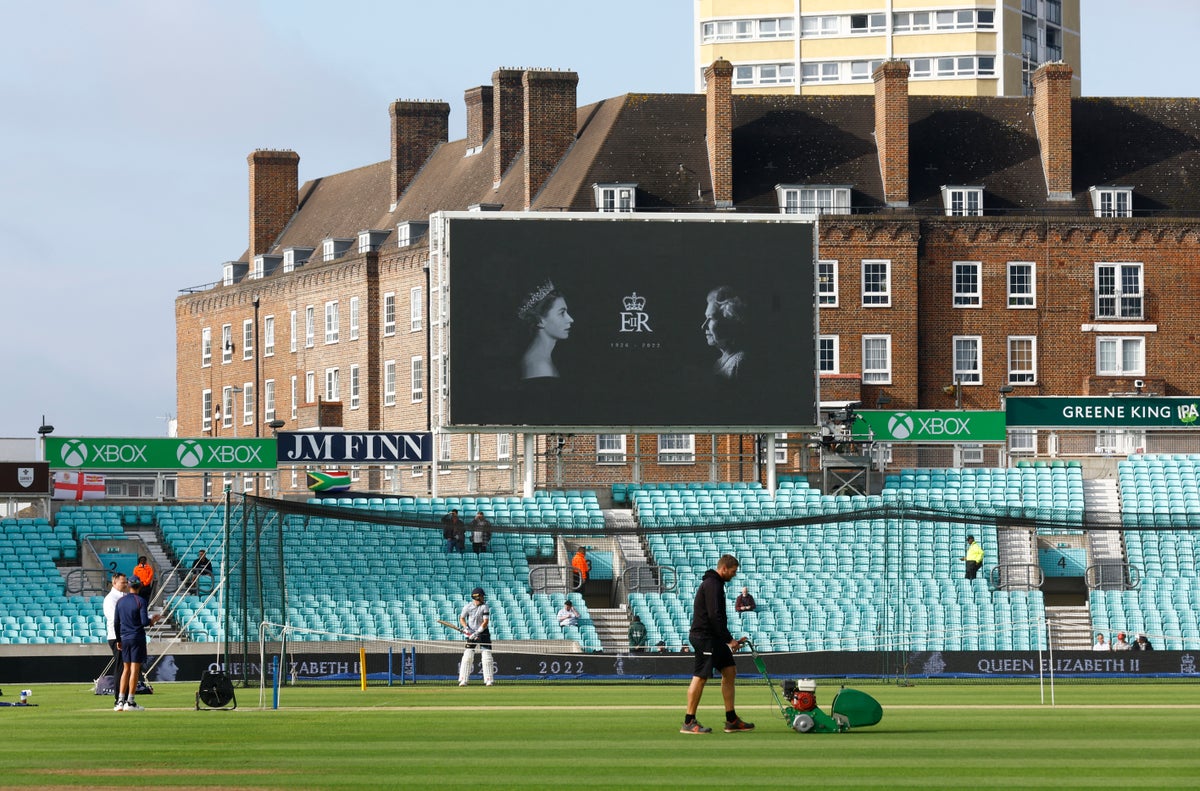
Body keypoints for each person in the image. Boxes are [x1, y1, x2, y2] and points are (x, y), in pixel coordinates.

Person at [681, 553, 753, 734]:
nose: (734, 575)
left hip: (714, 638)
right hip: (704, 637)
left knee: (729, 670)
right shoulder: (712, 584)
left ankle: (731, 720)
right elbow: (714, 615)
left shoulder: (716, 584)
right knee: (701, 676)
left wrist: (727, 639)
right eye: (733, 572)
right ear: (724, 569)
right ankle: (689, 721)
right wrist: (729, 639)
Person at [113, 578, 163, 711]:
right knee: (134, 670)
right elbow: (144, 622)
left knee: (125, 669)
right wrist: (153, 620)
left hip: (124, 638)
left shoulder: (120, 601)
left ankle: (120, 701)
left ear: (128, 585)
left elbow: (116, 622)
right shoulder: (140, 601)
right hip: (137, 638)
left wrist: (118, 640)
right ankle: (130, 701)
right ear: (140, 586)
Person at [518, 279, 573, 380]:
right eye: (562, 313)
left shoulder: (541, 358)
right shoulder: (540, 367)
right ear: (540, 320)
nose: (571, 319)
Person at [701, 286, 750, 380]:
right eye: (706, 318)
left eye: (711, 318)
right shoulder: (718, 363)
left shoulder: (741, 362)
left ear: (730, 322)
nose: (703, 326)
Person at [458, 587, 494, 687]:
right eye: (482, 596)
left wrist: (477, 632)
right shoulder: (467, 607)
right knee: (468, 656)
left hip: (483, 632)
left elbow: (485, 622)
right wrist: (466, 628)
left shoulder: (485, 607)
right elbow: (462, 618)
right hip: (471, 632)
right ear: (477, 597)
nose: (483, 598)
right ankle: (463, 680)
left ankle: (488, 680)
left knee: (486, 655)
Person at [102, 572, 128, 708]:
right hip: (117, 636)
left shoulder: (124, 597)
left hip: (125, 635)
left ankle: (126, 697)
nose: (125, 584)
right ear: (114, 583)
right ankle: (119, 698)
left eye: (126, 582)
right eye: (123, 582)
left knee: (127, 667)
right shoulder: (110, 599)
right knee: (121, 667)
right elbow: (114, 618)